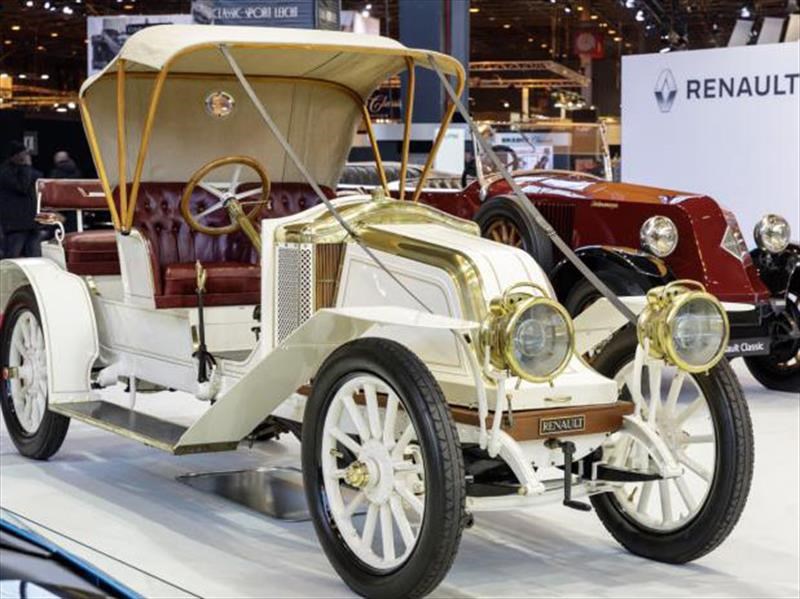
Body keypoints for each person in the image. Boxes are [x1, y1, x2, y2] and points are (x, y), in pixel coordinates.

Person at [0, 140, 43, 258]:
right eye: (24, 154)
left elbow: (38, 177)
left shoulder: (26, 171)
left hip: (31, 221)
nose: (27, 157)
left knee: (35, 257)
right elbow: (22, 187)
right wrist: (26, 167)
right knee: (12, 256)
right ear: (15, 155)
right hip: (15, 224)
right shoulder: (5, 172)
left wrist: (27, 168)